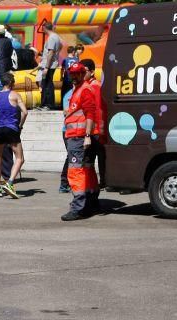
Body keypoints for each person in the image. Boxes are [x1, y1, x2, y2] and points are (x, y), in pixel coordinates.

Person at [61, 61, 98, 221]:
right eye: (72, 74)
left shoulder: (84, 90)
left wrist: (88, 135)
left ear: (83, 74)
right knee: (87, 169)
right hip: (77, 136)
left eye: (77, 73)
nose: (74, 76)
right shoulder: (78, 90)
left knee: (76, 171)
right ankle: (90, 202)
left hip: (79, 137)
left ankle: (78, 207)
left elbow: (90, 113)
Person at [0, 72, 26, 199]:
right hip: (11, 129)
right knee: (20, 158)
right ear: (11, 83)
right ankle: (10, 183)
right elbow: (25, 112)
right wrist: (20, 126)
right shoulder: (15, 95)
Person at [81, 58, 106, 208]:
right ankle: (92, 196)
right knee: (89, 165)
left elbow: (94, 111)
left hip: (95, 132)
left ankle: (91, 197)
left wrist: (88, 134)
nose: (81, 74)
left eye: (84, 71)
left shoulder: (93, 87)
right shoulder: (92, 85)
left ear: (91, 72)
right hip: (95, 131)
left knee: (88, 165)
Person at [38, 22, 63, 110]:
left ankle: (48, 104)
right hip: (52, 63)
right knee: (47, 83)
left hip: (49, 64)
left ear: (45, 28)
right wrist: (57, 54)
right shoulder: (56, 36)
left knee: (48, 84)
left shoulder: (52, 38)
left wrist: (46, 67)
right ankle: (45, 103)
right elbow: (61, 45)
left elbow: (50, 52)